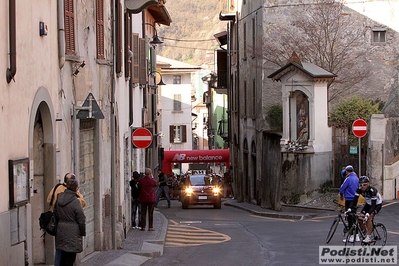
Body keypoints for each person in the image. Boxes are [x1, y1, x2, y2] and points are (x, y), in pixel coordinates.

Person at [47, 173, 86, 266]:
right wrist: (82, 232)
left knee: (60, 251)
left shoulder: (57, 192)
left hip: (60, 228)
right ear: (75, 187)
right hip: (72, 232)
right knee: (70, 257)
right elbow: (81, 216)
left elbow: (49, 200)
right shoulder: (76, 200)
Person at [349, 176, 383, 243]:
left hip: (376, 205)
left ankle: (369, 237)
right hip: (368, 204)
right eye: (361, 184)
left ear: (368, 184)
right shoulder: (359, 189)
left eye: (364, 184)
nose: (362, 186)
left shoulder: (372, 191)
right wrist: (349, 208)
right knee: (359, 218)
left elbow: (373, 206)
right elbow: (354, 200)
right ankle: (366, 232)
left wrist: (368, 214)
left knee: (369, 218)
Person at [339, 165, 359, 243]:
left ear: (347, 171)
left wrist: (341, 195)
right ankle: (357, 235)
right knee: (354, 217)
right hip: (355, 200)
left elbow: (342, 188)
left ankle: (351, 236)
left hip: (349, 199)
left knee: (349, 217)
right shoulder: (357, 178)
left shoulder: (348, 179)